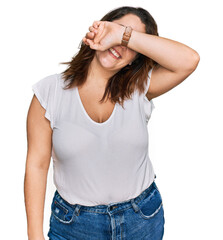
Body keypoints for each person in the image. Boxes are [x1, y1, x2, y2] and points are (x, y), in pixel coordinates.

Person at [24, 6, 200, 240]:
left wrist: (122, 35)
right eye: (115, 30)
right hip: (74, 225)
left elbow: (189, 60)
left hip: (142, 219)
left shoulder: (141, 88)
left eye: (129, 43)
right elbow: (36, 166)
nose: (119, 46)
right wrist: (34, 236)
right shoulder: (49, 92)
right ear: (98, 31)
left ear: (136, 57)